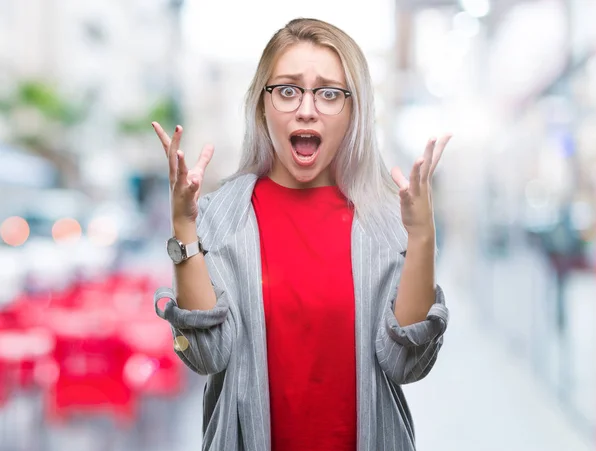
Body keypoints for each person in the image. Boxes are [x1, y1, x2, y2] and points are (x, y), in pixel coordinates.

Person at [152, 17, 451, 451]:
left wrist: (422, 235)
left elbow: (406, 364)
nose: (306, 109)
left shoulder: (388, 219)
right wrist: (184, 225)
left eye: (329, 93)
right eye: (288, 90)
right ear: (262, 106)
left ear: (353, 111)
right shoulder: (219, 216)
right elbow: (206, 356)